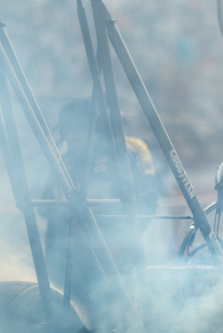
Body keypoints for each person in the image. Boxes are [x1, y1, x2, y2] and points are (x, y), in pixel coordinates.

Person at [41, 99, 158, 296]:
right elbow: (45, 208)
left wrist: (122, 245)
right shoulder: (61, 164)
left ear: (96, 130)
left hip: (115, 259)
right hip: (69, 263)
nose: (74, 136)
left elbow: (146, 204)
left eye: (80, 129)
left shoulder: (123, 158)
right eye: (68, 130)